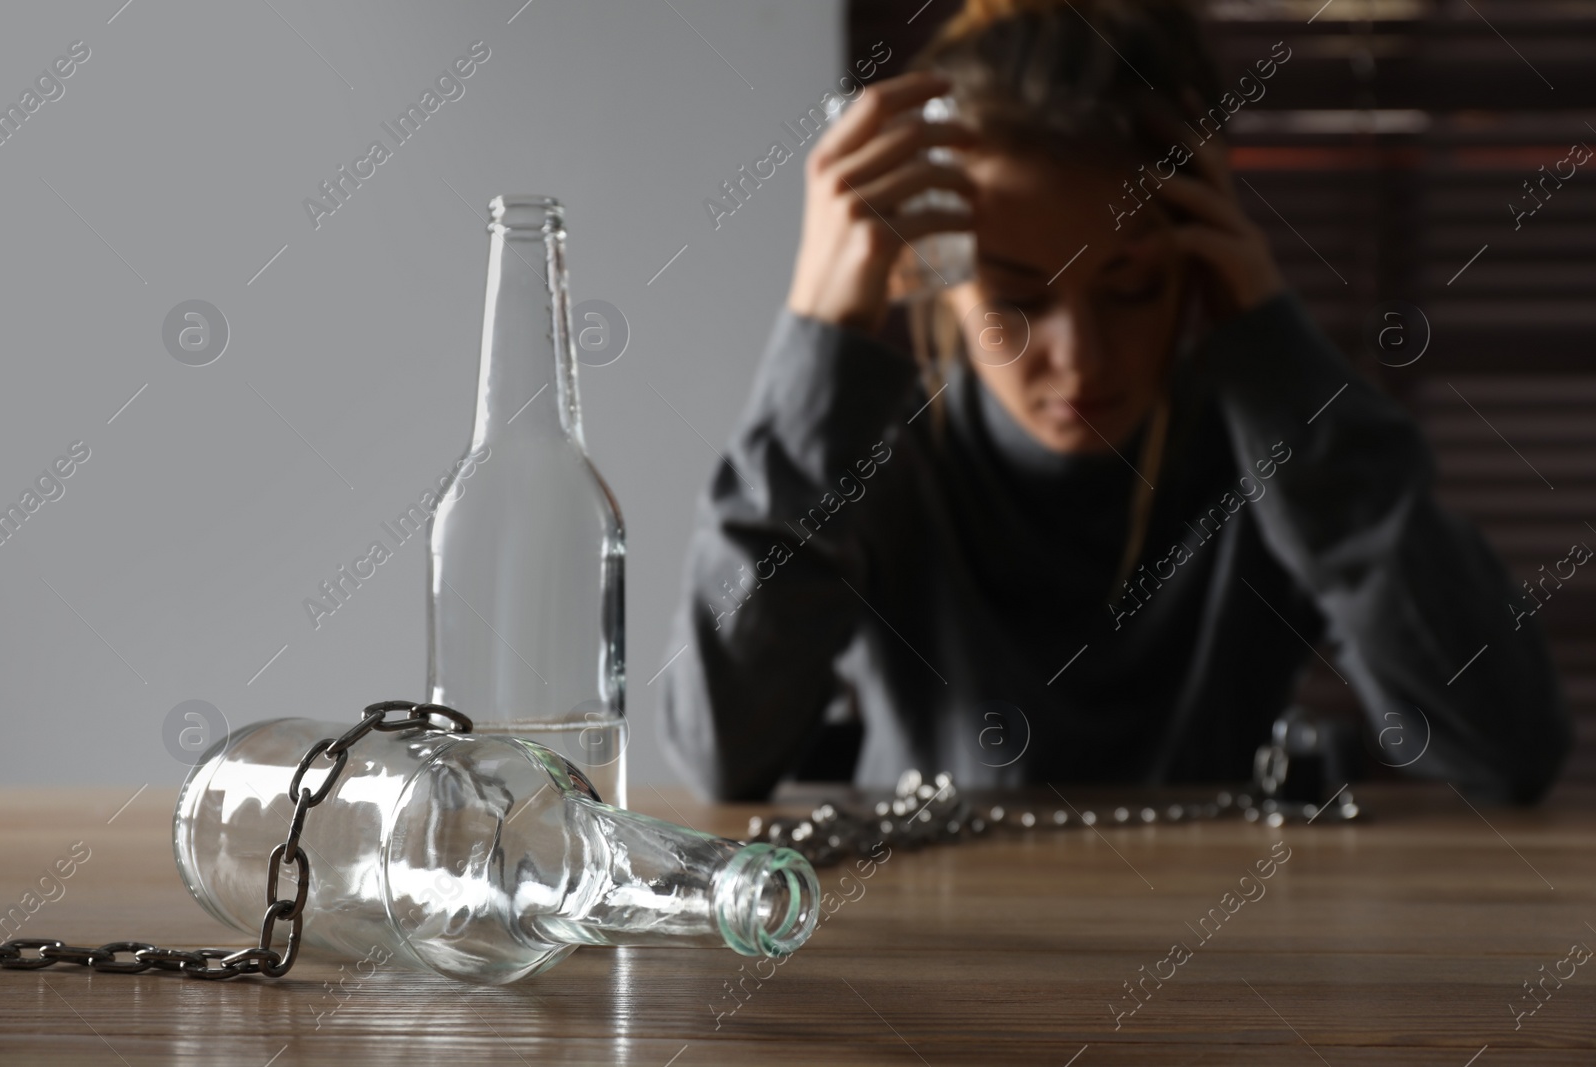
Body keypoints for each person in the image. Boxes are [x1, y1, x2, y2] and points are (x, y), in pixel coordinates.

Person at [659, 0, 1569, 802]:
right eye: (1017, 297)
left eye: (1130, 288)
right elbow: (718, 751)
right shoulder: (880, 457)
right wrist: (821, 340)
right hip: (926, 958)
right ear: (940, 280)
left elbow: (1508, 747)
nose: (1081, 359)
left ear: (1199, 260)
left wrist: (1269, 342)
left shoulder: (1270, 449)